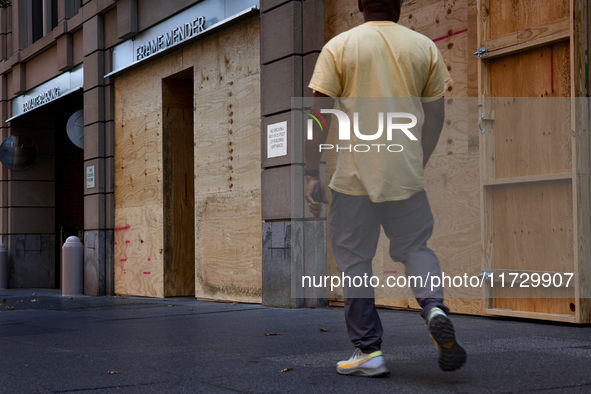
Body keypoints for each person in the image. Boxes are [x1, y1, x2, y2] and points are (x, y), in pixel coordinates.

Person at [303, 0, 467, 377]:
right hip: (405, 175)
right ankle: (434, 308)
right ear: (399, 4)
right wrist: (416, 161)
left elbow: (318, 114)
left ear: (361, 5)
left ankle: (369, 352)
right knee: (415, 248)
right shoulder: (422, 47)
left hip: (352, 180)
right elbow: (436, 115)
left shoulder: (339, 46)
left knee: (355, 263)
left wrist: (311, 172)